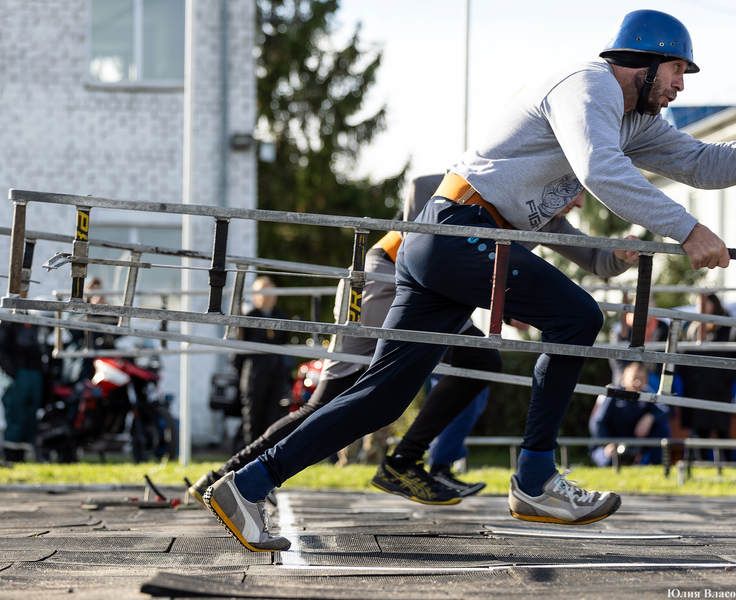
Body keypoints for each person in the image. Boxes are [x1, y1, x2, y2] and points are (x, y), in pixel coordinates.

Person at [203, 8, 736, 551]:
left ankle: (247, 485)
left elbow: (698, 161)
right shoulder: (589, 85)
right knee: (578, 317)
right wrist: (686, 230)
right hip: (459, 229)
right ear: (646, 63)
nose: (681, 86)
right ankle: (536, 478)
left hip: (452, 240)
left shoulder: (635, 120)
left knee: (382, 395)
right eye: (678, 70)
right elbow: (600, 170)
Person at [190, 174, 639, 507]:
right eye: (579, 190)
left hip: (441, 288)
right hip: (389, 269)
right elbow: (420, 185)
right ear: (558, 182)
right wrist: (421, 250)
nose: (579, 203)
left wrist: (620, 255)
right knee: (337, 396)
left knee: (480, 364)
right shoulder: (501, 179)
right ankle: (228, 476)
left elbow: (596, 260)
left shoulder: (549, 222)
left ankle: (403, 462)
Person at [677, 294, 736, 456]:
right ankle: (700, 464)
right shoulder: (691, 327)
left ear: (713, 305)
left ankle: (728, 466)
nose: (700, 308)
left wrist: (723, 378)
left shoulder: (731, 328)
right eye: (697, 304)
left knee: (722, 431)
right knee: (699, 432)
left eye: (704, 304)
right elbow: (682, 354)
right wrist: (688, 377)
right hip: (696, 388)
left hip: (719, 390)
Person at [234, 277, 293, 448]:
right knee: (252, 420)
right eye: (263, 292)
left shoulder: (281, 317)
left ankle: (266, 460)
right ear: (255, 296)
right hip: (254, 375)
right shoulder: (248, 318)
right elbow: (240, 351)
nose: (268, 296)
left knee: (273, 421)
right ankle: (248, 458)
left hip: (276, 375)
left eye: (271, 292)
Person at [589, 362, 670, 467]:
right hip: (610, 445)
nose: (637, 383)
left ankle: (656, 463)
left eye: (641, 379)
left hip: (635, 445)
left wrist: (650, 417)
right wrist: (607, 443)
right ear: (624, 378)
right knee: (609, 463)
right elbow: (596, 422)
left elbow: (666, 411)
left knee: (662, 427)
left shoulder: (647, 394)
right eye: (634, 378)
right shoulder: (612, 392)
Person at [0, 319, 49, 462]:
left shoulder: (33, 322)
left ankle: (22, 456)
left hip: (34, 373)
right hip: (18, 374)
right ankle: (11, 456)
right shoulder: (9, 323)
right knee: (16, 415)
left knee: (30, 417)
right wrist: (11, 371)